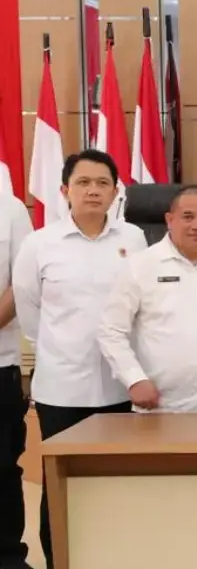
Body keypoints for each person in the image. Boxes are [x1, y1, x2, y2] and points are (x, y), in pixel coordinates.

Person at [12, 149, 147, 569]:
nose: (93, 190)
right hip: (63, 389)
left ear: (116, 191)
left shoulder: (133, 239)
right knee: (60, 484)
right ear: (64, 190)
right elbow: (30, 311)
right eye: (83, 182)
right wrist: (63, 347)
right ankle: (60, 560)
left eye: (102, 183)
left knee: (115, 484)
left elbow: (141, 306)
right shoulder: (40, 244)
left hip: (121, 386)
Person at [96, 185, 197, 413]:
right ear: (169, 220)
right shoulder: (140, 266)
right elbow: (111, 330)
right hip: (163, 405)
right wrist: (134, 379)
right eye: (188, 217)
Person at [0, 194, 32, 569]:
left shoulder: (8, 208)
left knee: (3, 470)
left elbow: (19, 284)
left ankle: (8, 557)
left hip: (0, 364)